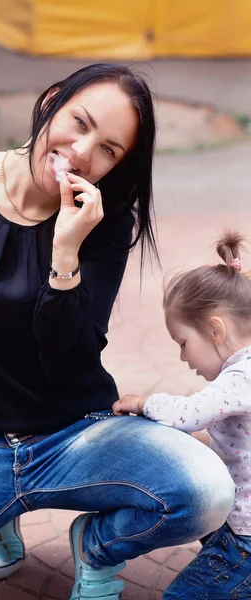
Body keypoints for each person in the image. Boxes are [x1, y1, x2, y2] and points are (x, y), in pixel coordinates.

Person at [0, 64, 234, 600]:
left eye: (107, 149)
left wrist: (66, 251)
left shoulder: (100, 220)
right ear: (51, 100)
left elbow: (68, 358)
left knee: (206, 490)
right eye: (78, 122)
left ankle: (94, 545)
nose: (80, 151)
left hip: (78, 434)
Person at [113, 230, 251, 599]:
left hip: (246, 541)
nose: (183, 358)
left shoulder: (241, 376)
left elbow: (190, 414)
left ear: (216, 328)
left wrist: (145, 403)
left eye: (183, 343)